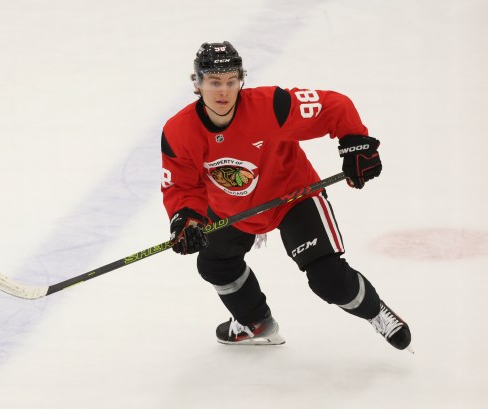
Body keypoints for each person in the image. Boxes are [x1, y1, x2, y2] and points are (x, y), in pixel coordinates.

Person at [160, 41, 412, 351]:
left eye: (230, 81)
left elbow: (334, 105)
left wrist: (356, 141)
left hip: (294, 197)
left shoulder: (272, 106)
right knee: (214, 264)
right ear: (196, 83)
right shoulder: (178, 131)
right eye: (214, 82)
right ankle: (254, 321)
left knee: (328, 280)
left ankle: (377, 313)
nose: (223, 91)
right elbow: (182, 186)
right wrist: (184, 219)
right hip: (232, 208)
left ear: (241, 80)